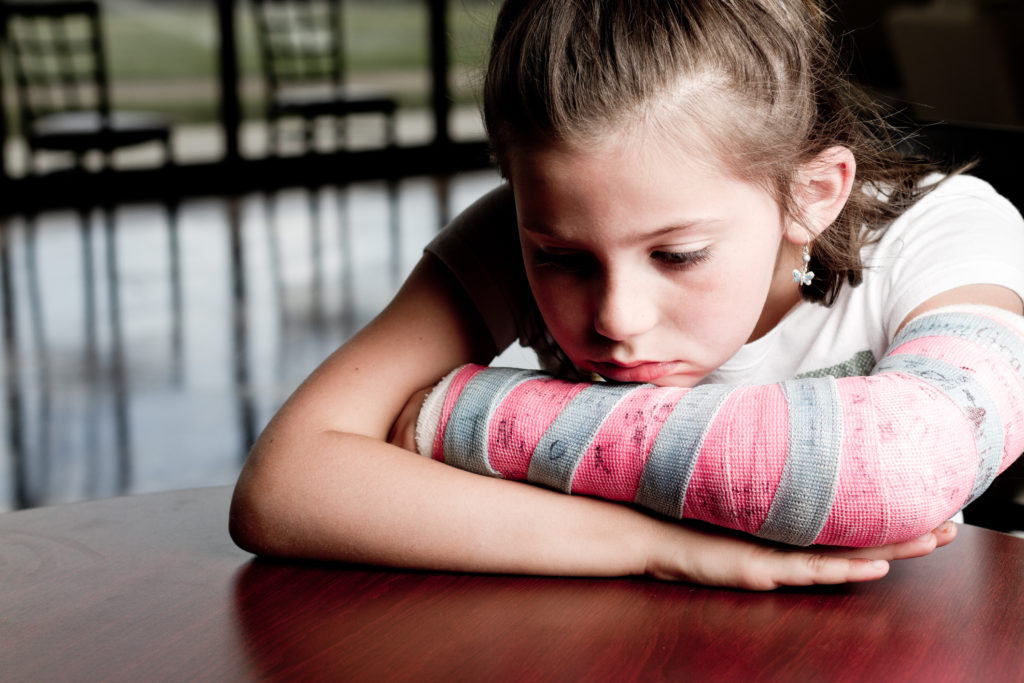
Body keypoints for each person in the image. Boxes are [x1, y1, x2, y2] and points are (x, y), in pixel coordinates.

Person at [229, 0, 1024, 590]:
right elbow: (284, 485)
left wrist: (456, 419)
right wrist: (660, 547)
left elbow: (902, 460)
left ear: (813, 193)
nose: (616, 317)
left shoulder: (944, 230)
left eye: (678, 255)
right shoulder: (514, 233)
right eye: (562, 260)